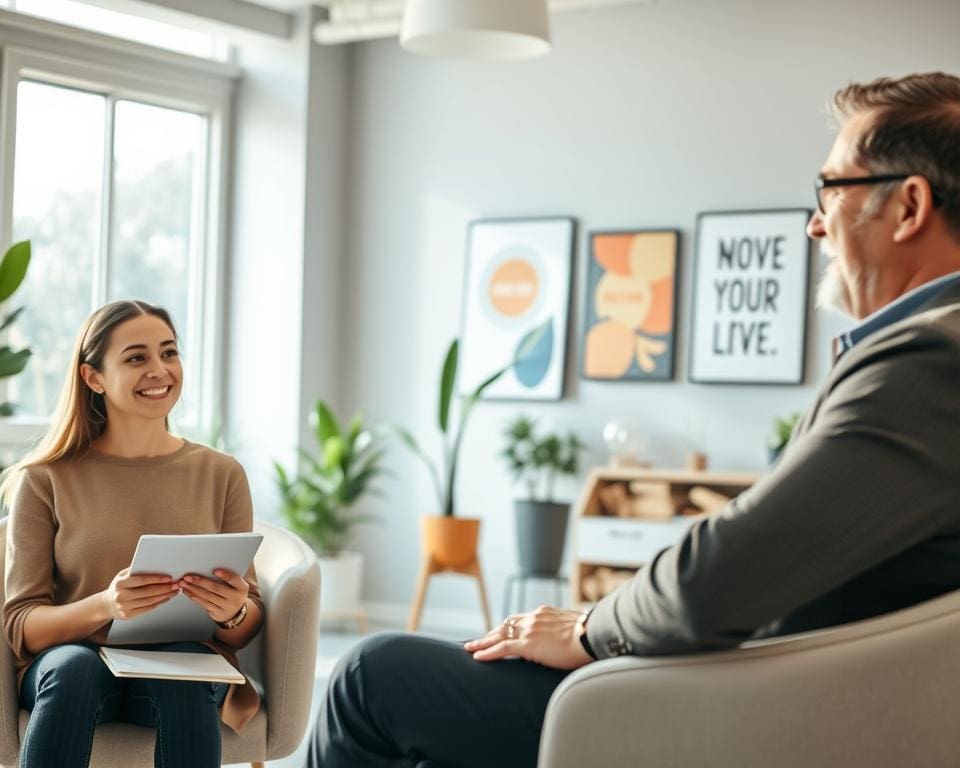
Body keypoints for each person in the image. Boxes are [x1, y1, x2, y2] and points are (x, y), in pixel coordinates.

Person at [308, 71, 960, 768]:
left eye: (831, 190)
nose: (815, 223)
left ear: (908, 206)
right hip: (783, 682)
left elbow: (718, 581)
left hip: (754, 711)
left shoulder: (927, 363)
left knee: (371, 677)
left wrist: (587, 627)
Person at [1, 300, 265, 768]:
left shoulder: (222, 474)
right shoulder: (43, 479)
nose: (159, 370)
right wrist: (105, 605)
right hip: (72, 665)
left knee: (183, 669)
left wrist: (233, 611)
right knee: (73, 669)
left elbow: (247, 625)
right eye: (136, 357)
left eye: (169, 352)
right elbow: (22, 625)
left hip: (181, 666)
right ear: (94, 378)